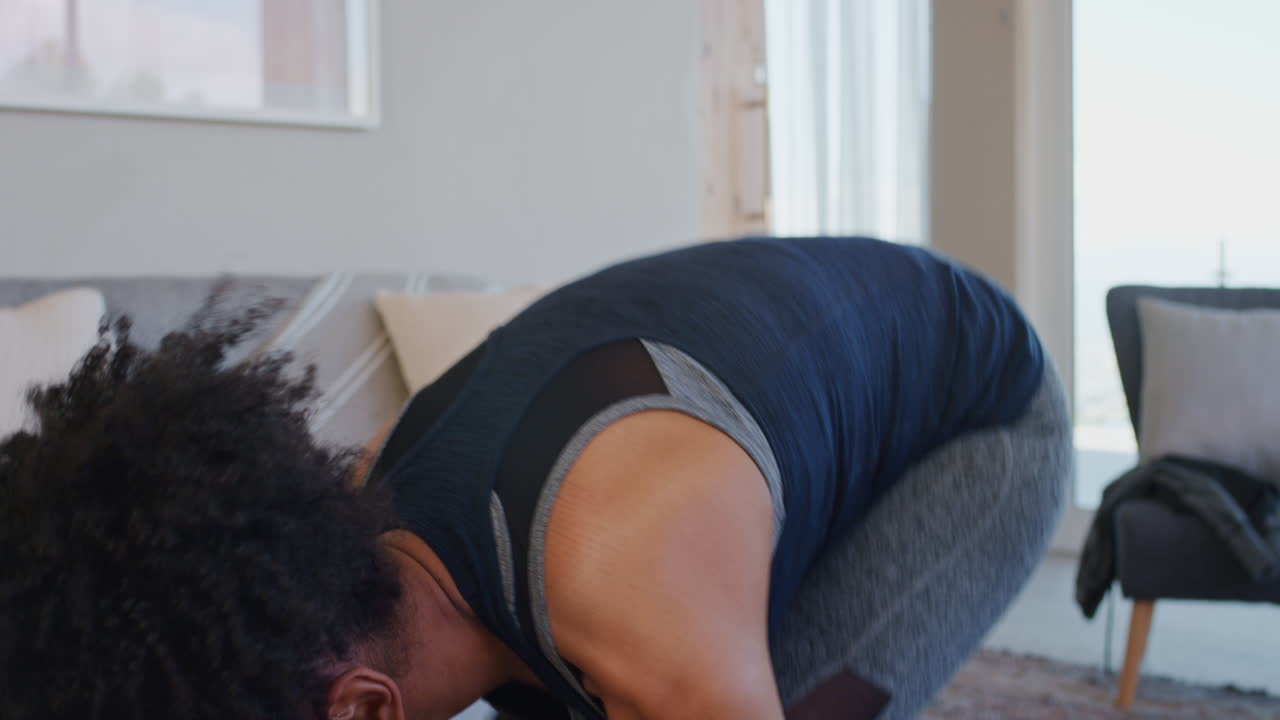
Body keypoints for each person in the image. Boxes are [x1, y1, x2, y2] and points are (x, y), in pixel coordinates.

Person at [0, 236, 1070, 720]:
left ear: (364, 714)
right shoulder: (370, 524)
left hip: (974, 420)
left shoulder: (631, 596)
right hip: (717, 419)